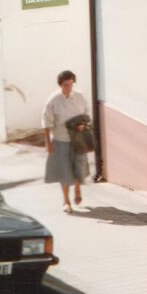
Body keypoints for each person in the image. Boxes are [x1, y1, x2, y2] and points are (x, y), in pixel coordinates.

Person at [43, 70, 91, 213]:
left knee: (79, 166)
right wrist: (48, 143)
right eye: (65, 85)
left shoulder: (80, 97)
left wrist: (84, 124)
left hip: (78, 138)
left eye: (71, 84)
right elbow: (46, 123)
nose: (69, 87)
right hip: (61, 139)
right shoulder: (53, 101)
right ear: (60, 85)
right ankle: (66, 201)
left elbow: (86, 114)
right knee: (64, 170)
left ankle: (77, 188)